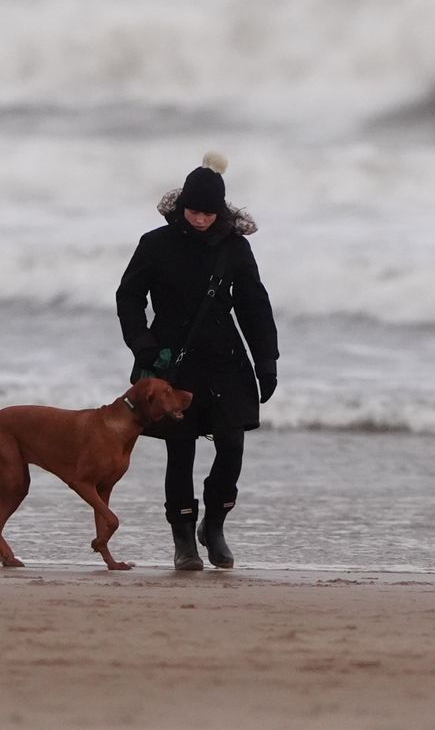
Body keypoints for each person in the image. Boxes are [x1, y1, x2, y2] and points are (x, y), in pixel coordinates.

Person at [115, 151, 279, 570]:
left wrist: (267, 361)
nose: (200, 219)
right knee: (180, 451)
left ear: (220, 212)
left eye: (208, 213)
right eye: (193, 211)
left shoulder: (235, 249)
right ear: (181, 205)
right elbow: (129, 296)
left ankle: (216, 525)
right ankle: (184, 539)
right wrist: (143, 345)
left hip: (225, 361)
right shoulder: (155, 244)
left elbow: (254, 307)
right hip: (172, 363)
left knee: (232, 447)